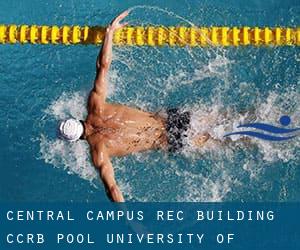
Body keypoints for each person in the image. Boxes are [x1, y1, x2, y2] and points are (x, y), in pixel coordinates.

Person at [58, 11, 210, 202]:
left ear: (76, 140)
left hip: (171, 140)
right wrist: (109, 33)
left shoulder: (99, 152)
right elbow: (103, 66)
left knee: (228, 141)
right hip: (172, 118)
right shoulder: (95, 105)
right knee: (226, 118)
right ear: (76, 119)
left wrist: (132, 222)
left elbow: (112, 189)